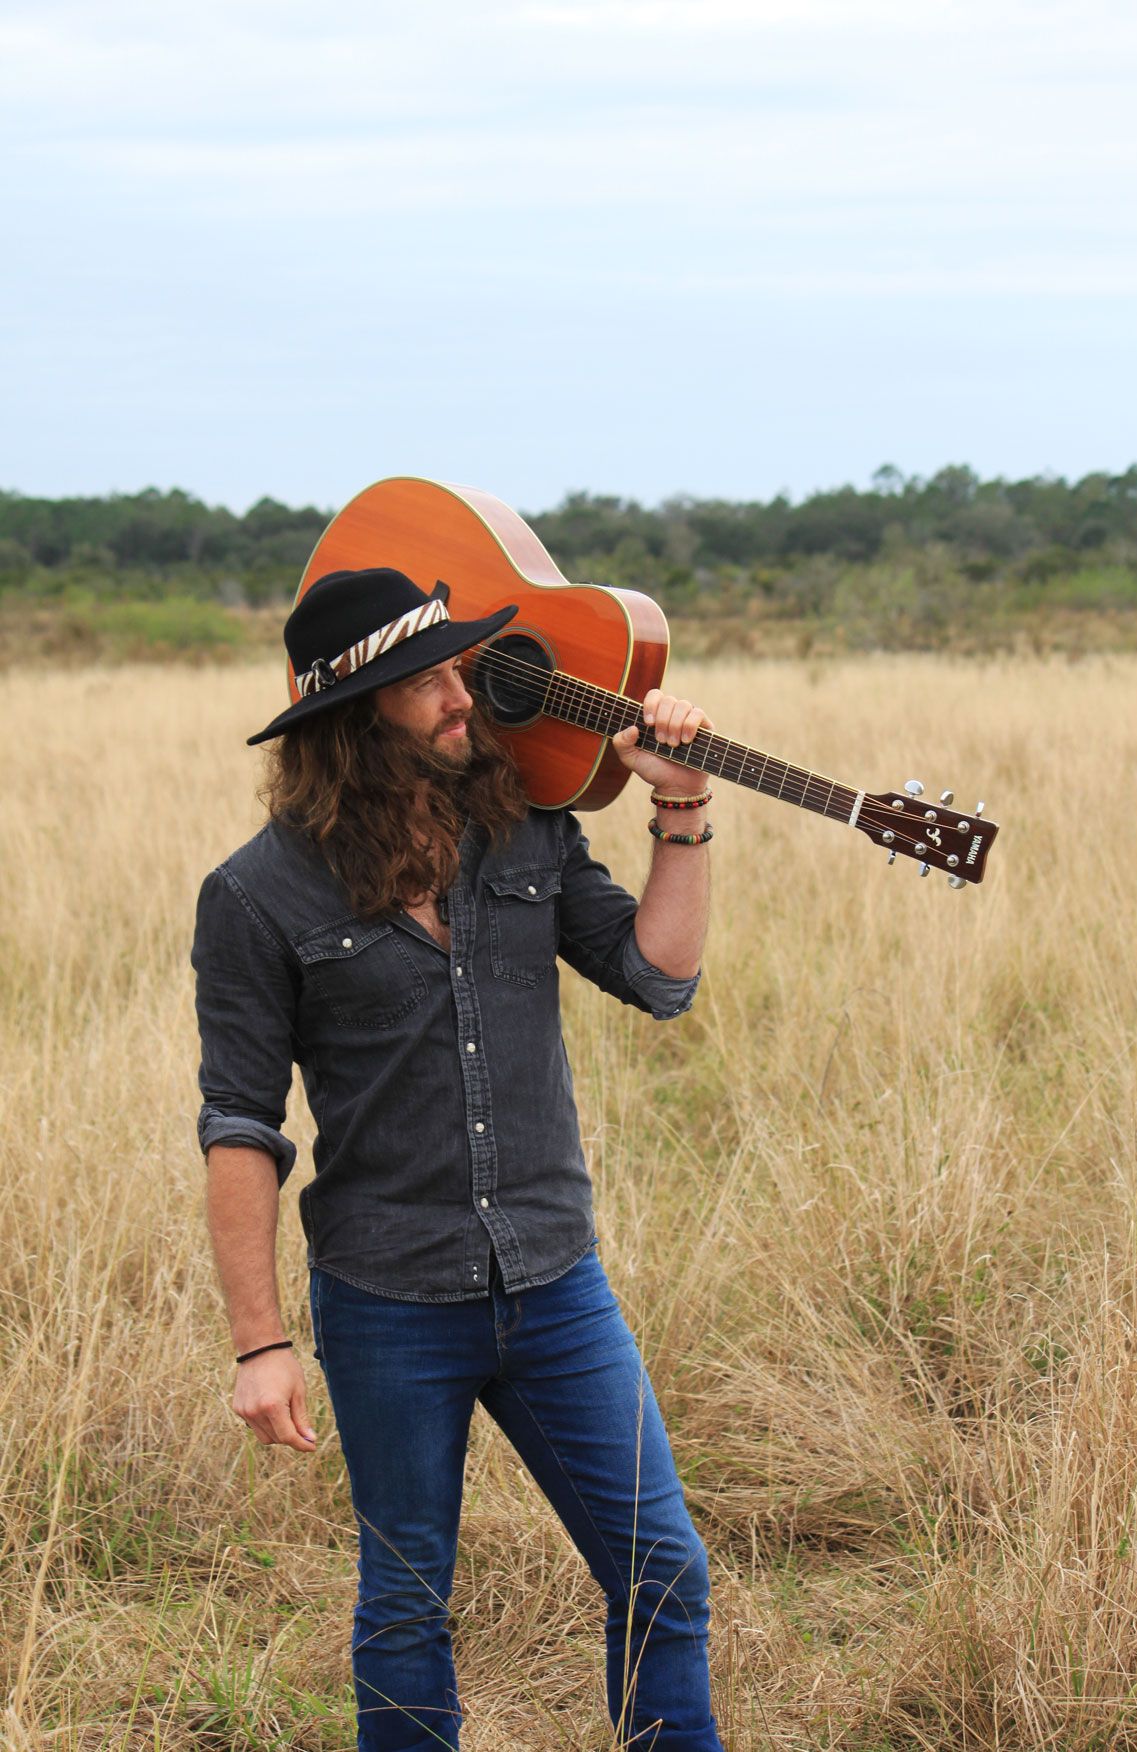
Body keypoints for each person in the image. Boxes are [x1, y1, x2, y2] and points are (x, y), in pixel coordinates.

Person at [191, 566, 724, 1751]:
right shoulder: (254, 895)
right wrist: (261, 1343)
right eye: (426, 681)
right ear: (352, 718)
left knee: (663, 1571)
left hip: (553, 1282)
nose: (461, 698)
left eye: (455, 670)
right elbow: (241, 1123)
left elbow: (659, 978)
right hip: (387, 1297)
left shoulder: (524, 828)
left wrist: (679, 815)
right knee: (405, 1608)